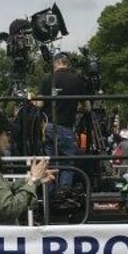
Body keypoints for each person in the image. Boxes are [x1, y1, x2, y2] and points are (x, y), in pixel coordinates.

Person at [38, 52, 87, 187]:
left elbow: (40, 104)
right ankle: (64, 194)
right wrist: (74, 108)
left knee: (51, 163)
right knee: (67, 164)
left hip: (49, 127)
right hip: (66, 127)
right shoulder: (77, 79)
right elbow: (87, 106)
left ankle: (50, 194)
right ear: (68, 64)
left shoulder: (48, 79)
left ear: (55, 63)